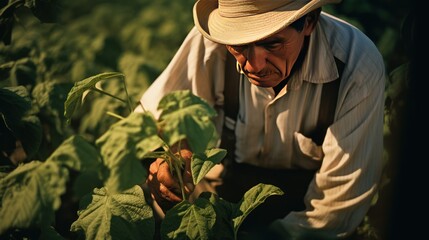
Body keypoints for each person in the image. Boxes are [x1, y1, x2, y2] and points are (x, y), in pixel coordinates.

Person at [135, 0, 386, 239]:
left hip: (304, 212)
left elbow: (335, 209)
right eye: (240, 46)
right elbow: (152, 122)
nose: (253, 65)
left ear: (309, 22)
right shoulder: (213, 42)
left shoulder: (355, 66)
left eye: (273, 44)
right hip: (222, 194)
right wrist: (169, 159)